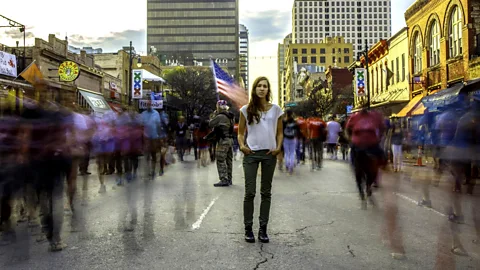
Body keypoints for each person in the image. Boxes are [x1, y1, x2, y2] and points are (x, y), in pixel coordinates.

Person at [238, 76, 284, 243]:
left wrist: (278, 148)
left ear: (268, 90)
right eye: (259, 86)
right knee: (250, 192)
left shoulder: (276, 110)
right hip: (251, 153)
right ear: (254, 89)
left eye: (265, 86)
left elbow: (279, 132)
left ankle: (263, 229)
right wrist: (242, 146)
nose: (262, 88)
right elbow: (240, 132)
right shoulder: (245, 110)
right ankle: (248, 229)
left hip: (269, 154)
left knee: (266, 192)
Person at [346, 109, 386, 208]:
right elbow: (348, 129)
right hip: (358, 145)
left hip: (372, 144)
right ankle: (361, 192)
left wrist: (379, 138)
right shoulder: (354, 117)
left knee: (383, 158)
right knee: (356, 168)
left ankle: (371, 184)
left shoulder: (375, 116)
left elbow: (382, 128)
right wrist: (351, 139)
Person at [210, 100, 235, 187]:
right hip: (230, 140)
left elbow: (211, 123)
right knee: (229, 160)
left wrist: (214, 114)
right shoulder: (231, 116)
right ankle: (229, 178)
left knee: (220, 159)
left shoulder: (220, 116)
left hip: (223, 140)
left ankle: (224, 179)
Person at [140, 100, 161, 180]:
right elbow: (141, 125)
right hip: (146, 137)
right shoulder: (143, 114)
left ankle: (153, 170)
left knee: (154, 155)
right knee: (147, 155)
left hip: (154, 137)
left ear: (151, 105)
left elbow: (158, 125)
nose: (148, 106)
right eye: (147, 104)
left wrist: (159, 135)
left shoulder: (156, 114)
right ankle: (148, 170)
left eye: (149, 104)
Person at [283, 110, 300, 175]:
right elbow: (298, 131)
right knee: (292, 153)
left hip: (285, 138)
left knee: (287, 153)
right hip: (293, 139)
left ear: (286, 114)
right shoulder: (295, 122)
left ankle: (287, 165)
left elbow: (282, 130)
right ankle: (291, 166)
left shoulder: (284, 122)